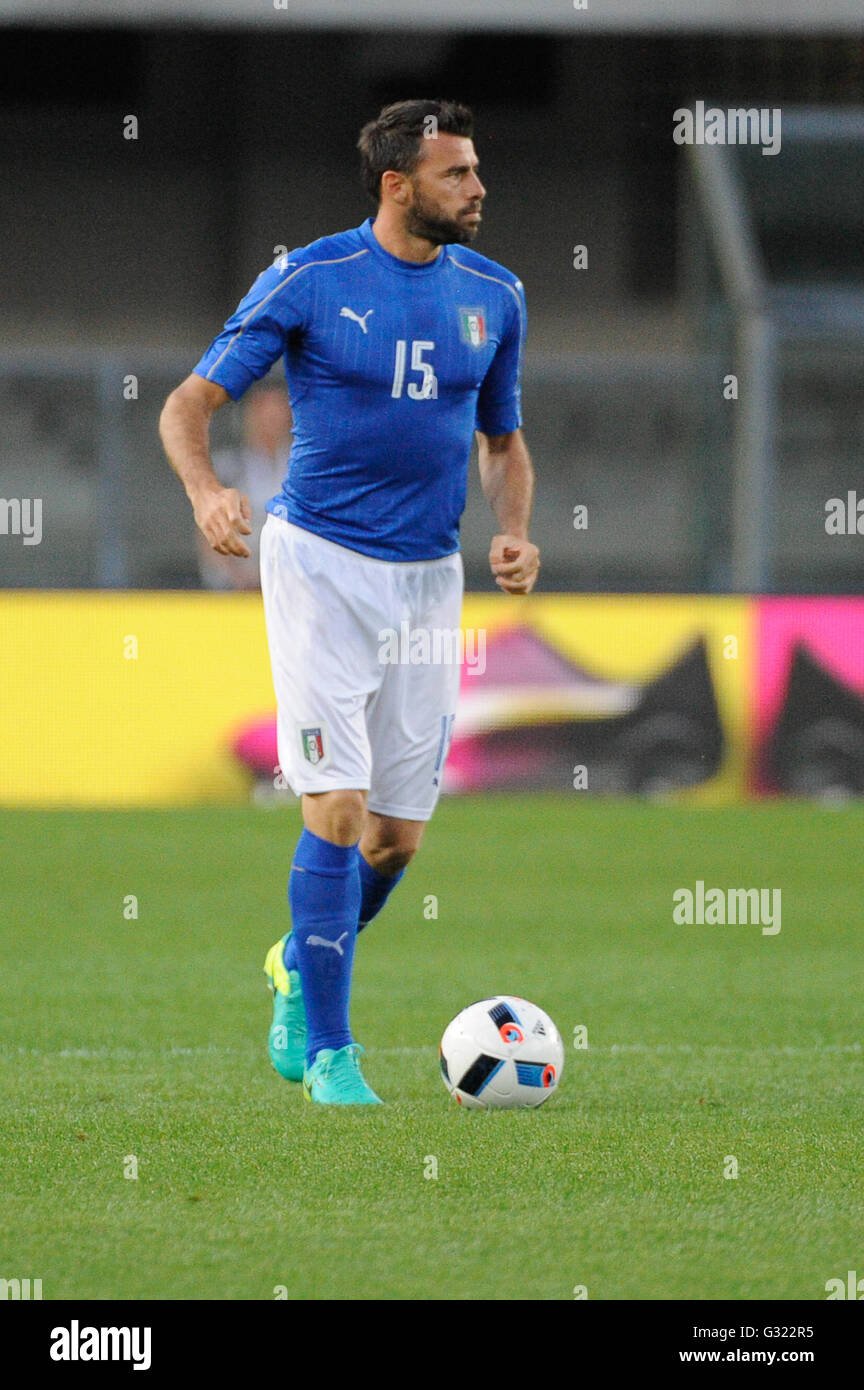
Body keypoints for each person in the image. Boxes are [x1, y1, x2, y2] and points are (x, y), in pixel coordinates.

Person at [159, 98, 540, 1105]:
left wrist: (512, 527)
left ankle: (298, 955)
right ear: (397, 184)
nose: (477, 187)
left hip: (428, 579)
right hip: (320, 563)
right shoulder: (313, 278)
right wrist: (208, 491)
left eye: (475, 169)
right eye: (456, 173)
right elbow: (189, 403)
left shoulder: (496, 295)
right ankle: (331, 1049)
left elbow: (501, 440)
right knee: (333, 807)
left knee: (395, 837)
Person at [195, 385, 293, 590]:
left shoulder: (302, 469)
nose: (271, 421)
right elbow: (208, 532)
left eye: (278, 412)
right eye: (263, 412)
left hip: (291, 585)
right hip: (238, 588)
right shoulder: (227, 467)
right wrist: (240, 580)